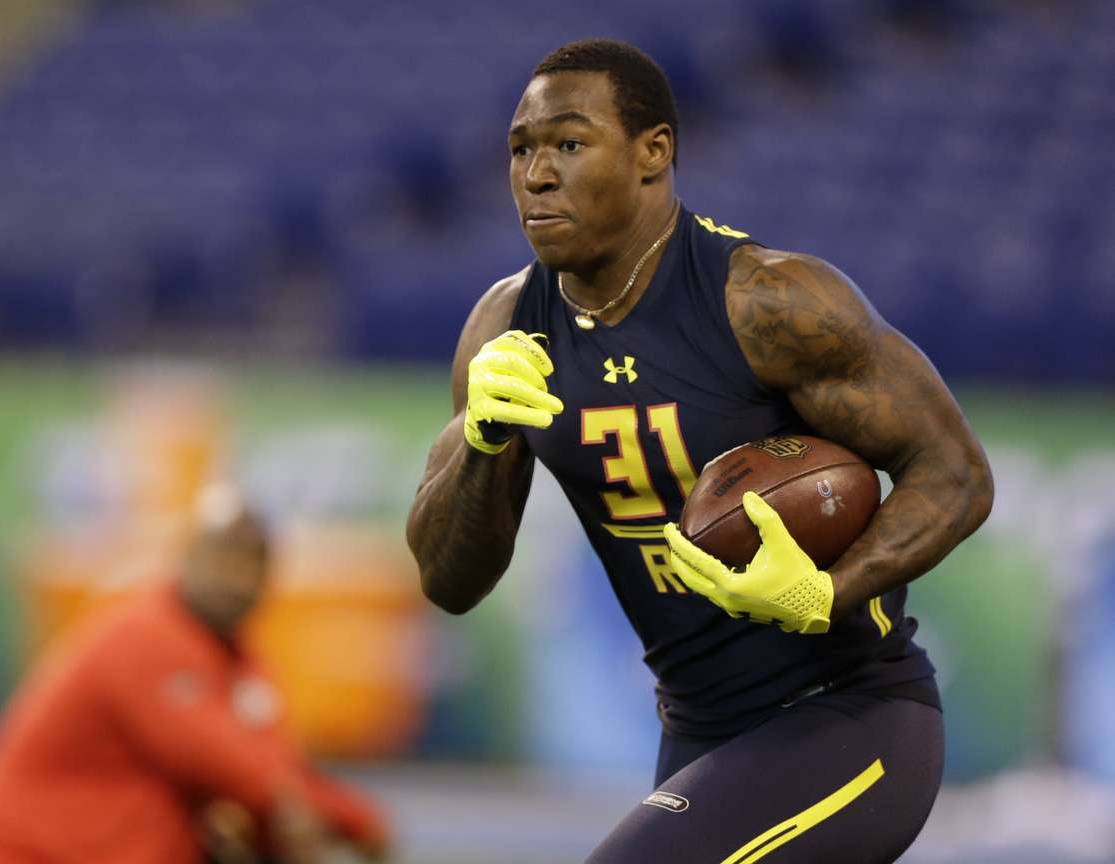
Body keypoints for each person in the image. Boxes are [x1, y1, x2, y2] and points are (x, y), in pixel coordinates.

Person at [406, 38, 994, 864]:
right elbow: (449, 583)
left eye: (568, 144)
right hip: (697, 733)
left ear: (654, 153)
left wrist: (824, 593)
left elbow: (958, 474)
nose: (536, 175)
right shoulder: (505, 328)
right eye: (521, 150)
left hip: (848, 714)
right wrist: (481, 441)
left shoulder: (769, 300)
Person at [0, 485, 389, 864]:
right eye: (222, 558)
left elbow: (276, 777)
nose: (236, 578)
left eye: (252, 562)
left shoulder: (242, 666)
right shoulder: (144, 637)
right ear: (186, 558)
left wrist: (298, 817)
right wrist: (356, 820)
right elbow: (242, 772)